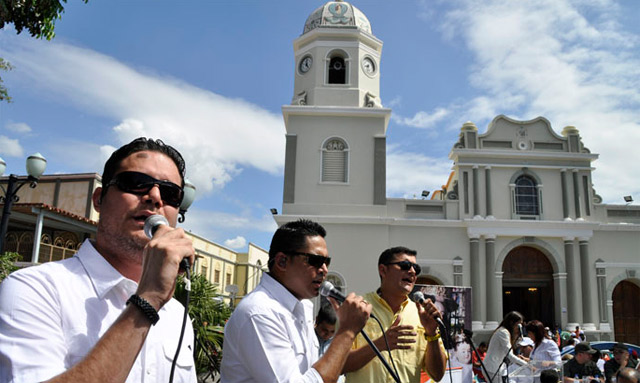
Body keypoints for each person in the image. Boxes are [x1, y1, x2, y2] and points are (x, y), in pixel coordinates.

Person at [0, 137, 197, 382]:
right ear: (98, 199)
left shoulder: (177, 314)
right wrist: (148, 301)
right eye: (136, 183)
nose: (155, 197)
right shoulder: (35, 289)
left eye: (170, 193)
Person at [220, 219, 371, 383]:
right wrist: (347, 332)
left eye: (327, 262)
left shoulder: (304, 305)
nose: (324, 270)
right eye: (315, 261)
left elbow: (314, 369)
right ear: (282, 261)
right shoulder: (259, 313)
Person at [343, 246, 447, 383]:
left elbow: (437, 375)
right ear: (383, 270)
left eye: (416, 269)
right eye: (405, 265)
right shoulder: (356, 307)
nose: (412, 271)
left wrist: (432, 334)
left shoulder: (421, 314)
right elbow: (340, 365)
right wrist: (380, 344)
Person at [484, 311, 529, 383]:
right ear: (512, 322)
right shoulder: (503, 332)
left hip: (496, 368)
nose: (519, 327)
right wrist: (527, 365)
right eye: (518, 325)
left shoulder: (505, 332)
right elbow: (509, 355)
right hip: (493, 368)